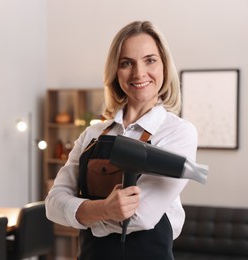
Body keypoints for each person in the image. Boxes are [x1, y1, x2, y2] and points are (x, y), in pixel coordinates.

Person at [45, 21, 198, 260]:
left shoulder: (178, 132)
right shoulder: (93, 134)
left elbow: (140, 217)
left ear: (165, 67)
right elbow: (53, 204)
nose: (139, 73)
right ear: (116, 72)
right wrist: (105, 209)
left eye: (150, 60)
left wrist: (81, 214)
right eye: (127, 63)